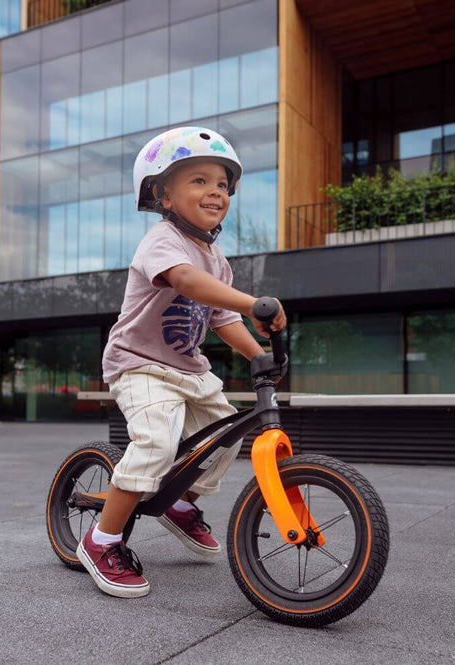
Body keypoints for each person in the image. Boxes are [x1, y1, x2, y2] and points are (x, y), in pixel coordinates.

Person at [77, 126, 286, 598]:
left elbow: (222, 319)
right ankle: (101, 539)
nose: (214, 190)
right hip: (140, 363)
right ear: (163, 195)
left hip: (189, 370)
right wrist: (257, 303)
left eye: (221, 183)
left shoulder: (219, 260)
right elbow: (188, 283)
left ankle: (179, 504)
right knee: (156, 441)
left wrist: (260, 355)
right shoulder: (162, 241)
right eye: (198, 181)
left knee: (226, 433)